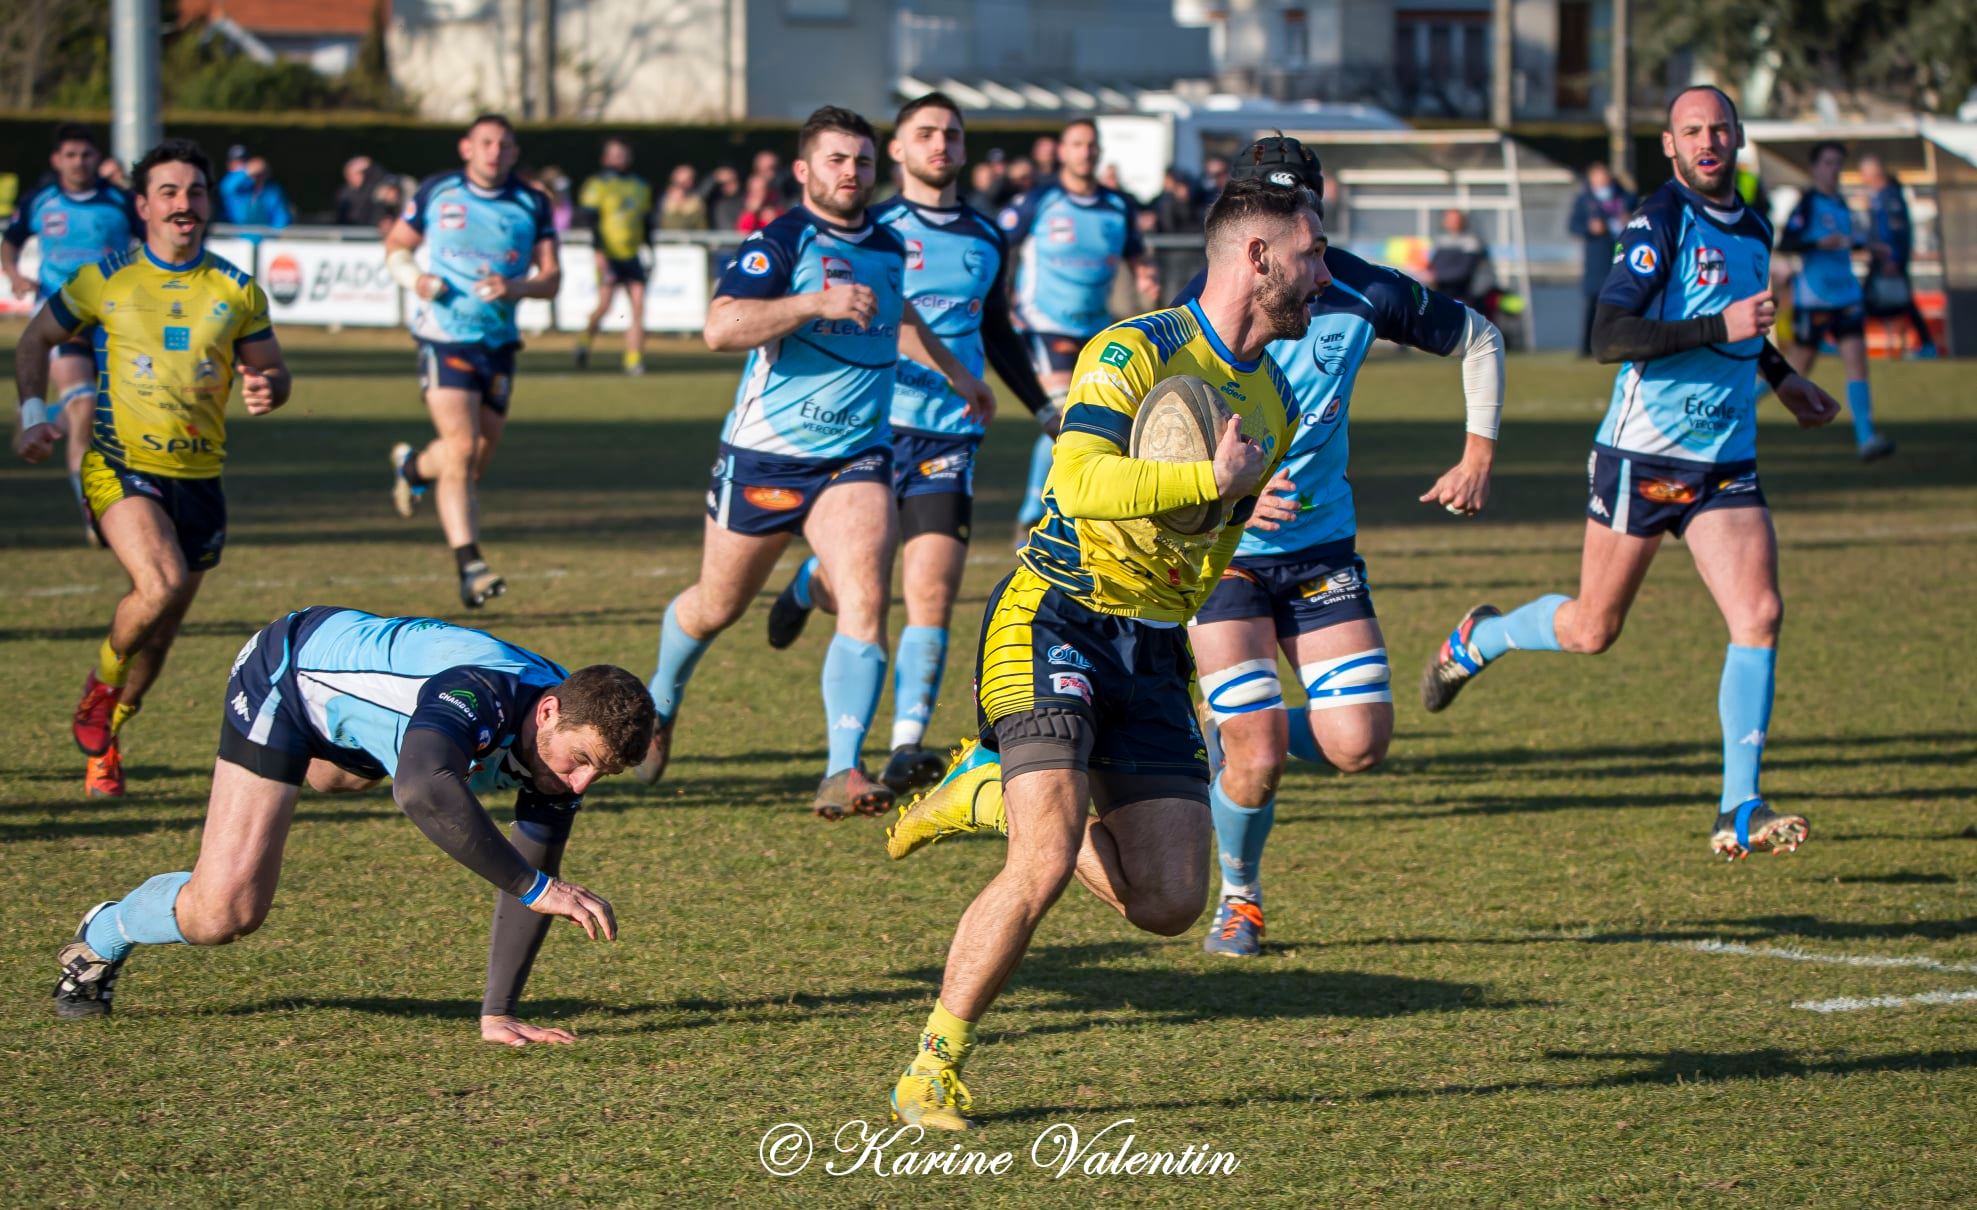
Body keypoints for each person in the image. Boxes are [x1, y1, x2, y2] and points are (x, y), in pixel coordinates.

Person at [882, 176, 1323, 1131]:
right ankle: (933, 1067)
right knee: (1041, 862)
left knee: (1167, 903)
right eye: (1311, 254)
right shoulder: (1133, 349)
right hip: (1056, 617)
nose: (1321, 273)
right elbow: (1078, 482)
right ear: (1258, 257)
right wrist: (1211, 474)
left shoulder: (1274, 396)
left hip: (1155, 648)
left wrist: (1230, 518)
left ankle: (984, 789)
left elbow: (1201, 531)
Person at [1418, 86, 1843, 862]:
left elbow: (1742, 321)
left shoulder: (1752, 224)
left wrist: (1781, 379)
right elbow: (1610, 333)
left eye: (1718, 128)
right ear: (1670, 148)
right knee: (1591, 630)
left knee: (1759, 614)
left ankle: (1738, 805)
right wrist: (1724, 326)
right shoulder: (1658, 220)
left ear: (1737, 137)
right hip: (1644, 458)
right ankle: (1481, 636)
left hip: (1726, 461)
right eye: (1691, 131)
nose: (1707, 141)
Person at [1169, 137, 1504, 957]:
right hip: (1224, 556)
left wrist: (1477, 452)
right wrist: (1230, 496)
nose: (1298, 227)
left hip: (1320, 551)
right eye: (1278, 210)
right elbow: (1150, 430)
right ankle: (1239, 899)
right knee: (1255, 755)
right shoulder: (1198, 306)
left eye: (1306, 210)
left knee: (1358, 744)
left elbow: (1480, 338)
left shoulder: (1357, 289)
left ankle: (1221, 733)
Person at [49, 607, 652, 1046]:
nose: (579, 786)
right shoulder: (484, 692)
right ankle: (104, 932)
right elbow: (420, 791)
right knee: (225, 912)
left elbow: (534, 871)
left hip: (371, 727)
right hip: (286, 677)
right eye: (580, 764)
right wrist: (533, 886)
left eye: (599, 774)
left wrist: (499, 1011)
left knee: (336, 779)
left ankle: (338, 744)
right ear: (546, 712)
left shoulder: (570, 725)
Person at [634, 106, 993, 820]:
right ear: (804, 170)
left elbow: (904, 320)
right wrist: (813, 302)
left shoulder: (889, 247)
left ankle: (841, 769)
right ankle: (661, 701)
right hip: (766, 459)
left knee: (864, 598)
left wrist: (959, 374)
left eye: (861, 161)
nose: (850, 173)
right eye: (836, 160)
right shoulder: (780, 240)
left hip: (856, 458)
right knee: (715, 607)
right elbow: (719, 327)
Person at [760, 93, 1053, 799]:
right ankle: (810, 583)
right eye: (925, 133)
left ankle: (905, 746)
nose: (941, 144)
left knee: (932, 589)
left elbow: (995, 331)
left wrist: (1040, 404)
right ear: (895, 150)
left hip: (949, 433)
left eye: (951, 133)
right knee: (865, 584)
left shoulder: (986, 235)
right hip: (868, 428)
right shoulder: (871, 227)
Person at [11, 138, 291, 800]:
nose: (183, 204)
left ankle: (109, 731)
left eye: (194, 191)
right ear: (141, 205)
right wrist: (31, 413)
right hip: (119, 464)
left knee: (161, 635)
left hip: (200, 480)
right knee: (159, 583)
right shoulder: (105, 277)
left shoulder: (236, 289)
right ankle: (98, 690)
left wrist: (268, 388)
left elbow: (272, 369)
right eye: (168, 192)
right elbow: (35, 339)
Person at [383, 114, 562, 608]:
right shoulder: (438, 191)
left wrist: (517, 286)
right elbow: (397, 245)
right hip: (444, 337)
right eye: (485, 142)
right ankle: (470, 565)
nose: (493, 152)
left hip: (499, 343)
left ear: (514, 152)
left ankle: (415, 469)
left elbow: (552, 278)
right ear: (466, 147)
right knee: (461, 448)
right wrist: (413, 280)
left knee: (473, 460)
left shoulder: (532, 202)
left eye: (503, 144)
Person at [1001, 118, 1159, 545]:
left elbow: (1137, 256)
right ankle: (1033, 514)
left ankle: (1064, 510)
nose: (1085, 151)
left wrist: (1146, 278)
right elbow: (998, 242)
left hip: (1095, 329)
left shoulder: (1117, 206)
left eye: (1091, 144)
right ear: (1063, 151)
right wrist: (1002, 299)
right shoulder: (1040, 200)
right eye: (1077, 144)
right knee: (1063, 419)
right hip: (1043, 324)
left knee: (1089, 420)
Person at [3, 122, 136, 543]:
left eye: (86, 154)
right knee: (84, 408)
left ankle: (46, 416)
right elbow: (10, 240)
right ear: (57, 160)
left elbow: (156, 238)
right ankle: (93, 512)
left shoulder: (121, 201)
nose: (79, 162)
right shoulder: (40, 200)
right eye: (71, 155)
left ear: (98, 159)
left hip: (117, 321)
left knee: (123, 415)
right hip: (61, 319)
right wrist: (14, 274)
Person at [1778, 141, 1892, 461]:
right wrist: (1817, 242)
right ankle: (1740, 411)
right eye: (1828, 163)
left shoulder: (1841, 203)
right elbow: (1788, 241)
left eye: (1839, 163)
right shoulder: (1808, 204)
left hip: (1846, 296)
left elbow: (1847, 241)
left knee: (1857, 362)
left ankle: (1865, 438)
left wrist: (1869, 246)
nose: (1834, 169)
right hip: (1815, 299)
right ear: (1815, 168)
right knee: (1794, 370)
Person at [574, 138, 655, 375]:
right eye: (615, 154)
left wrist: (650, 249)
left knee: (639, 306)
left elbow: (646, 222)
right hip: (609, 254)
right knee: (605, 306)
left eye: (623, 153)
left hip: (632, 255)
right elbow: (590, 221)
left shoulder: (640, 185)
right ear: (605, 158)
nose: (620, 158)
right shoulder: (597, 185)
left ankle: (633, 358)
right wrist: (599, 252)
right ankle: (585, 340)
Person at [1858, 154, 1936, 359]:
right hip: (1881, 256)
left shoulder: (1889, 197)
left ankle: (1926, 344)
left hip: (1889, 258)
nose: (1862, 177)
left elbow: (1897, 230)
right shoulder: (1877, 196)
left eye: (1864, 172)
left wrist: (1894, 258)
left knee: (1897, 302)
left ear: (1874, 172)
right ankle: (1924, 343)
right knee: (1885, 302)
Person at [1569, 163, 1638, 356]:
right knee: (1593, 304)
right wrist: (1590, 229)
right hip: (1597, 260)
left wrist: (1630, 220)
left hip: (1622, 258)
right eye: (1597, 179)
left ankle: (1624, 342)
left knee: (1623, 303)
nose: (1601, 182)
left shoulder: (1626, 198)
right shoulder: (1584, 201)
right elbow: (1574, 226)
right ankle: (1587, 347)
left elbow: (1642, 220)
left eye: (1604, 177)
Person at [1426, 208, 1495, 313]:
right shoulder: (1440, 241)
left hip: (1468, 297)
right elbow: (1433, 265)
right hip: (1444, 294)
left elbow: (1463, 272)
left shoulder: (1472, 242)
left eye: (1455, 220)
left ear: (1463, 221)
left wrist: (1435, 276)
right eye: (1449, 220)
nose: (1452, 223)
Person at [218, 153, 293, 230]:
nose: (257, 178)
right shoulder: (240, 189)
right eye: (254, 174)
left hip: (266, 237)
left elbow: (281, 218)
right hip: (235, 235)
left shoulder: (273, 192)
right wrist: (246, 172)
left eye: (261, 174)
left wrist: (273, 235)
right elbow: (226, 188)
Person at [1153, 166, 1204, 234]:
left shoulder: (1195, 203)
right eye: (1180, 187)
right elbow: (1169, 228)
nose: (1184, 190)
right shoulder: (1167, 203)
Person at [657, 164, 708, 231]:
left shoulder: (696, 202)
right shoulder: (664, 203)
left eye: (690, 179)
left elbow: (700, 227)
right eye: (680, 183)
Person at [705, 165, 745, 231]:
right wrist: (714, 177)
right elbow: (698, 197)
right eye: (724, 184)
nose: (728, 186)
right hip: (720, 239)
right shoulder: (715, 202)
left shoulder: (746, 201)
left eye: (731, 182)